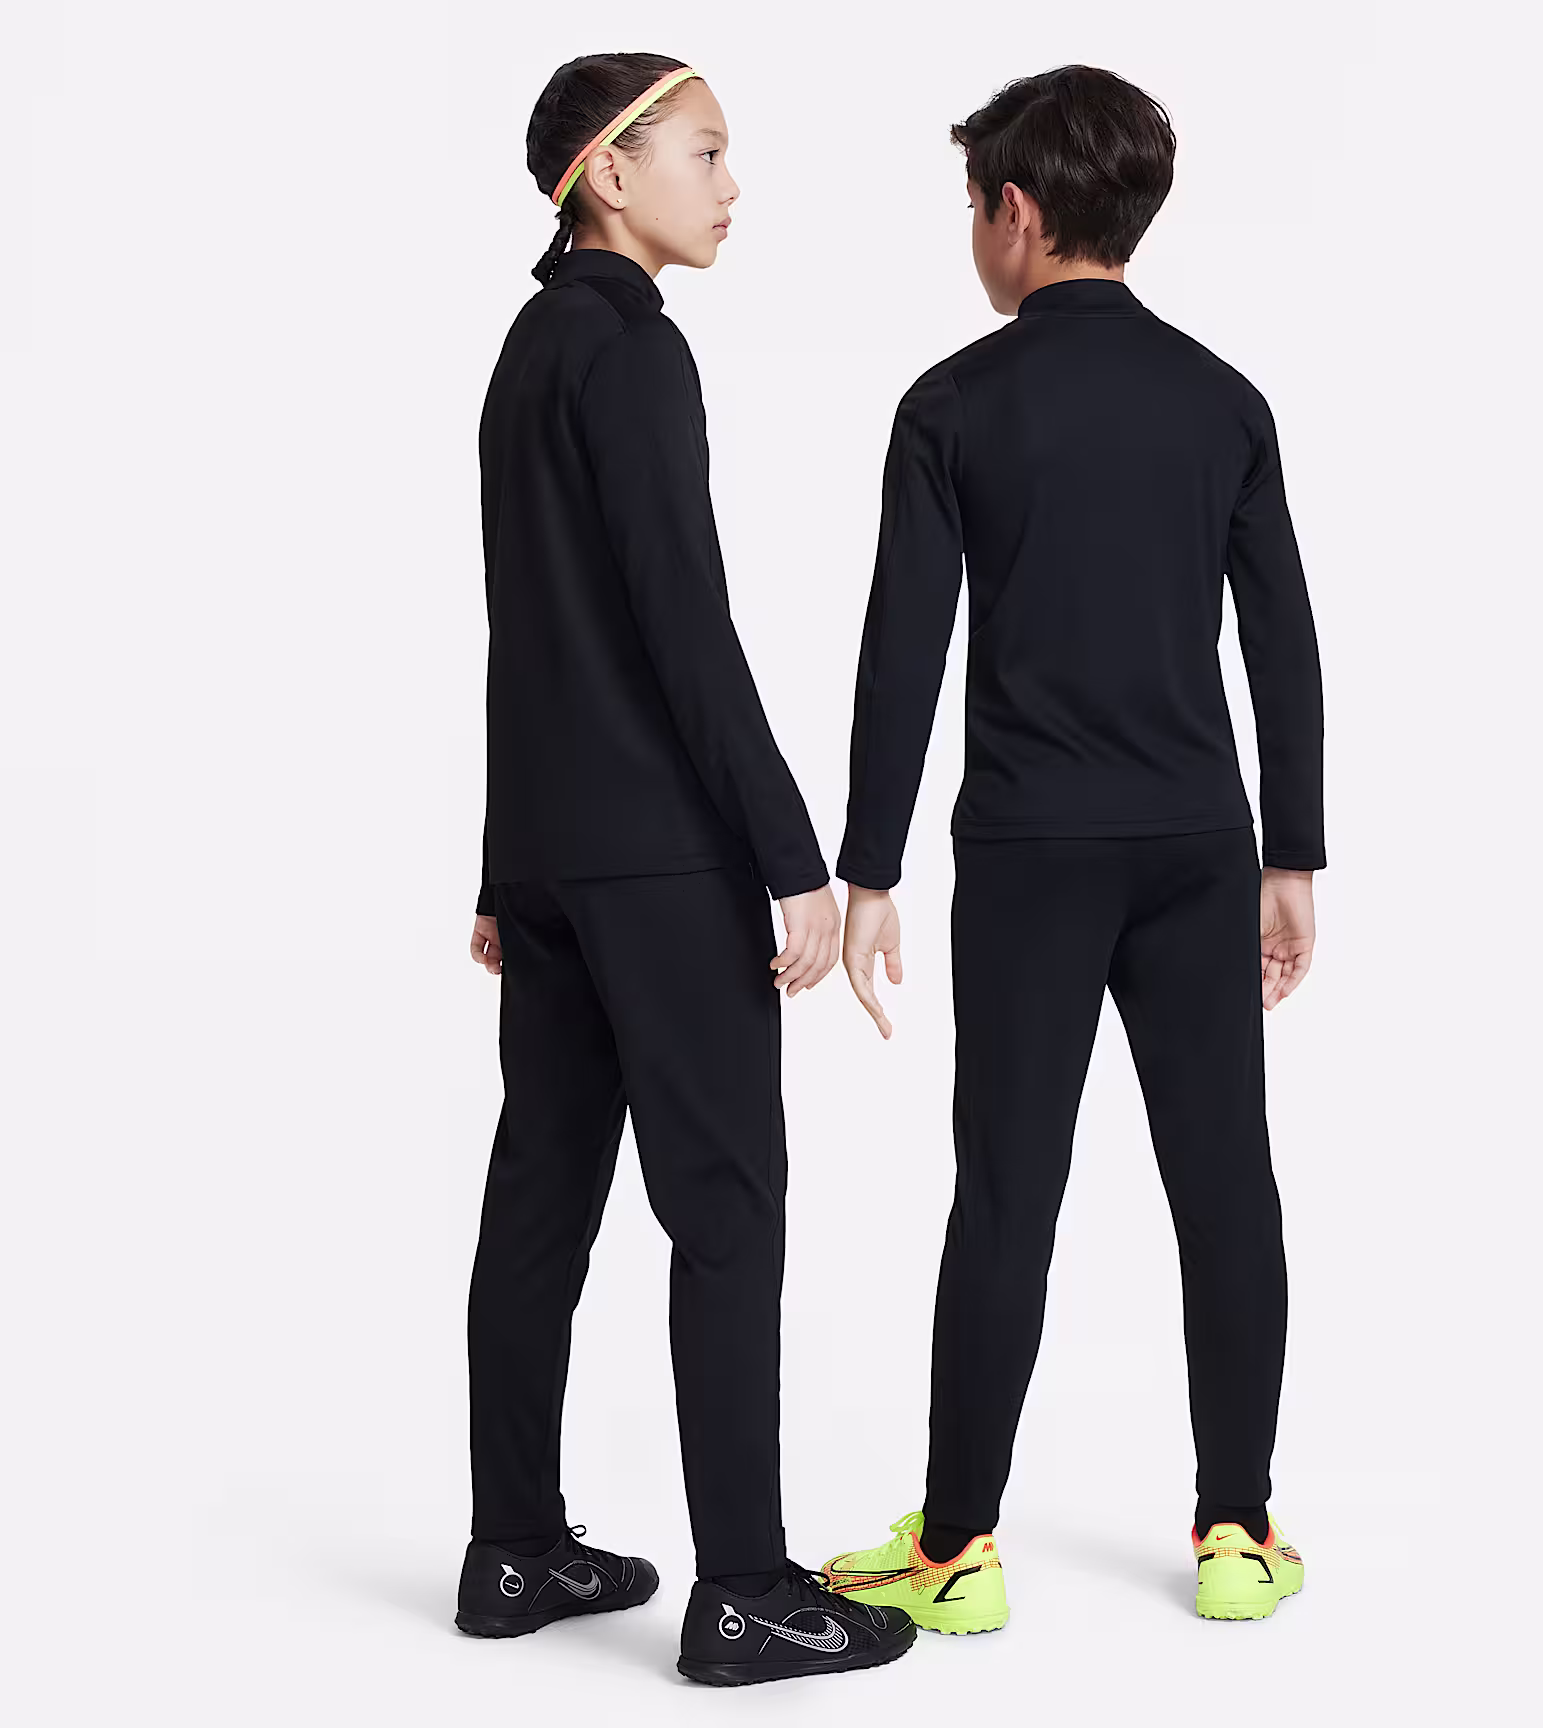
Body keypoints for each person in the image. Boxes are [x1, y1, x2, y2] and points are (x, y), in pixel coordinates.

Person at [818, 66, 1322, 1629]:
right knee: (1226, 1184)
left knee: (1006, 1194)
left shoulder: (953, 404)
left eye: (974, 206)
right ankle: (1237, 1530)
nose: (974, 233)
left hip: (1032, 852)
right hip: (1197, 843)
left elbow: (903, 649)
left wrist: (870, 869)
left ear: (1017, 215)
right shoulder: (1223, 401)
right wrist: (1291, 856)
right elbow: (1283, 642)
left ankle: (958, 1551)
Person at [458, 52, 916, 1685]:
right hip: (659, 859)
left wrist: (506, 867)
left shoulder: (527, 351)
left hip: (558, 860)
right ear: (609, 172)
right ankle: (746, 1593)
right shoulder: (635, 351)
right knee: (726, 1208)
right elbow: (678, 626)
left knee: (541, 1198)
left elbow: (529, 637)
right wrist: (792, 856)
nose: (731, 187)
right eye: (706, 155)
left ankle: (512, 1550)